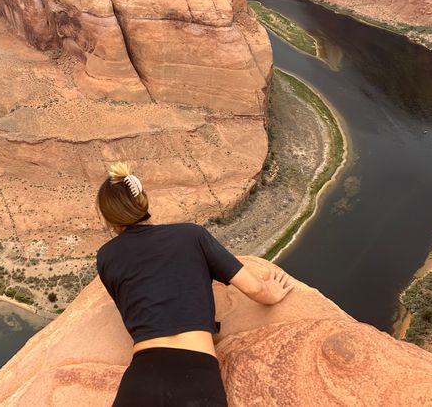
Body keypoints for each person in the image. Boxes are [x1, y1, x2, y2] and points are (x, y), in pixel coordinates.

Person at [96, 162, 293, 407]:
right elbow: (252, 287)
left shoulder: (106, 257)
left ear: (109, 218)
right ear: (143, 201)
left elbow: (130, 303)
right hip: (197, 374)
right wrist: (271, 294)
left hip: (143, 374)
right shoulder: (191, 235)